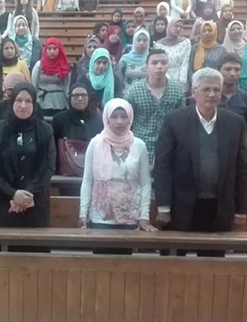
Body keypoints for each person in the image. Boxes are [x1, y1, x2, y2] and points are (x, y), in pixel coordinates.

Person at [154, 68, 247, 251]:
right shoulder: (174, 120)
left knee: (213, 263)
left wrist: (241, 210)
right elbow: (162, 166)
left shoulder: (235, 122)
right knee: (176, 262)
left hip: (219, 207)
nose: (212, 94)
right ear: (193, 92)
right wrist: (163, 207)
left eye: (216, 90)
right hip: (181, 206)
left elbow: (242, 169)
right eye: (206, 89)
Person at [0, 83, 55, 227]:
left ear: (34, 104)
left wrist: (26, 195)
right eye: (19, 100)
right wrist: (13, 194)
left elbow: (49, 166)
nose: (23, 105)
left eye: (28, 101)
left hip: (36, 203)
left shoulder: (45, 130)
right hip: (4, 203)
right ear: (12, 102)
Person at [79, 98, 154, 231]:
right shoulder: (95, 143)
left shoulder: (139, 145)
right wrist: (83, 212)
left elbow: (145, 183)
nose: (119, 121)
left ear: (130, 118)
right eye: (114, 116)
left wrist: (144, 216)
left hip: (131, 215)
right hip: (100, 216)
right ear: (107, 118)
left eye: (124, 116)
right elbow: (88, 180)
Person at [124, 48, 186, 167]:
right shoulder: (134, 91)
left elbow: (181, 122)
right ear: (146, 67)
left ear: (168, 66)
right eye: (154, 63)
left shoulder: (177, 90)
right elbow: (127, 122)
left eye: (163, 63)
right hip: (140, 147)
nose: (159, 66)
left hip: (169, 148)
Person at [217, 54, 247, 180]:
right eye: (228, 69)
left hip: (237, 151)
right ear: (218, 70)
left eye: (237, 70)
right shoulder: (210, 96)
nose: (233, 73)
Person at [0, 37, 31, 117]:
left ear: (15, 50)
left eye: (12, 48)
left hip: (17, 107)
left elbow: (28, 86)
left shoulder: (22, 64)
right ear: (2, 50)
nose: (9, 51)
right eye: (6, 48)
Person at [31, 37, 70, 117]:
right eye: (49, 48)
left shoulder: (64, 66)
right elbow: (34, 84)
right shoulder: (39, 65)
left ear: (59, 49)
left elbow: (66, 86)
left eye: (55, 48)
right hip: (42, 101)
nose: (52, 51)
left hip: (60, 102)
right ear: (45, 49)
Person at [81, 48, 123, 113]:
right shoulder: (84, 79)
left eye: (105, 63)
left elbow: (119, 100)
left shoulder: (115, 79)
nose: (101, 66)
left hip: (109, 113)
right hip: (87, 114)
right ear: (93, 63)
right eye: (98, 62)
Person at [156, 17, 191, 92]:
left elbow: (185, 63)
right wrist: (168, 81)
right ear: (170, 26)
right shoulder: (159, 44)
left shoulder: (186, 42)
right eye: (176, 26)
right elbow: (161, 63)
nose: (178, 29)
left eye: (181, 27)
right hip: (165, 77)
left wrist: (182, 82)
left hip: (181, 78)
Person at [222, 20, 247, 90]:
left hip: (246, 84)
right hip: (228, 84)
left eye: (239, 28)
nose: (236, 31)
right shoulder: (223, 48)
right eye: (232, 29)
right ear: (228, 32)